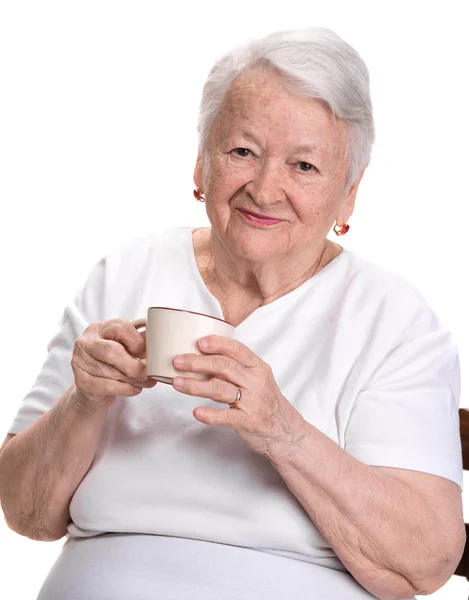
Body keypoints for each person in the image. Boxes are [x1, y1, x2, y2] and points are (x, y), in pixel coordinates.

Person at [0, 27, 464, 600]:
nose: (265, 189)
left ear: (348, 193)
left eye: (305, 166)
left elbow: (425, 564)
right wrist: (84, 400)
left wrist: (282, 431)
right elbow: (26, 514)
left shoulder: (394, 320)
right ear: (201, 165)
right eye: (242, 152)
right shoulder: (125, 272)